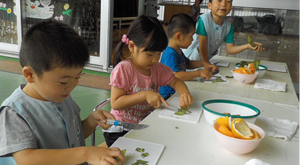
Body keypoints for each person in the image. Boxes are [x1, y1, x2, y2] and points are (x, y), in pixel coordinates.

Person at [0, 20, 125, 165]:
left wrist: (91, 122)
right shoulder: (14, 113)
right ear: (30, 74)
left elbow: (73, 137)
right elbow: (26, 159)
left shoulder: (61, 96)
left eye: (77, 77)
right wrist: (85, 153)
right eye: (63, 82)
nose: (72, 86)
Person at [104, 15, 193, 146]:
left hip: (144, 123)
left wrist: (184, 93)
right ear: (132, 47)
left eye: (158, 54)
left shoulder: (157, 68)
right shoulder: (123, 70)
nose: (155, 60)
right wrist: (144, 95)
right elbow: (116, 103)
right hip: (121, 128)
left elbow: (176, 81)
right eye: (150, 55)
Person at [182, 0, 265, 63]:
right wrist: (206, 64)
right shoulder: (204, 20)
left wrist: (247, 46)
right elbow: (202, 47)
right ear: (209, 5)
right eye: (219, 0)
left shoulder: (228, 27)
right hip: (188, 59)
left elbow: (230, 49)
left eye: (228, 1)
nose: (223, 4)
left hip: (203, 62)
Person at [159, 13, 217, 99]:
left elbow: (188, 63)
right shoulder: (170, 54)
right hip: (168, 96)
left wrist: (203, 63)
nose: (193, 40)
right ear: (179, 36)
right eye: (191, 36)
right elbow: (176, 75)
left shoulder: (177, 50)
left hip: (177, 92)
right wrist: (199, 73)